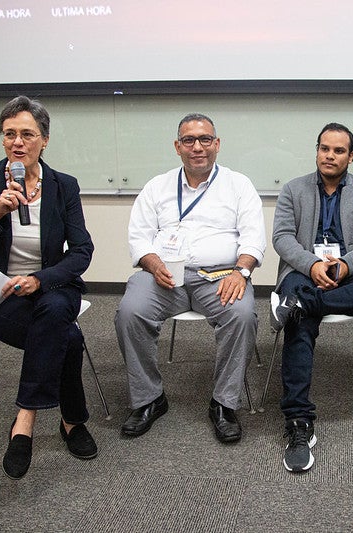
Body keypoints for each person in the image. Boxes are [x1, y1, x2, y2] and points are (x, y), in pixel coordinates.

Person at [0, 96, 97, 480]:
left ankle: (25, 420)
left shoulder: (63, 185)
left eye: (27, 134)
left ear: (44, 140)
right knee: (67, 337)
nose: (18, 142)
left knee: (53, 310)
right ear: (2, 139)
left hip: (52, 284)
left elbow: (82, 250)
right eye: (9, 134)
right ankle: (72, 421)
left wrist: (39, 280)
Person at [115, 113, 265, 444]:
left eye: (205, 139)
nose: (197, 147)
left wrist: (242, 271)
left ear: (217, 144)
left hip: (221, 275)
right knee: (129, 312)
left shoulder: (238, 185)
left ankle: (224, 404)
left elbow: (254, 237)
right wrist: (154, 264)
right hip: (165, 276)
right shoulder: (157, 187)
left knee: (241, 316)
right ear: (177, 146)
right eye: (189, 140)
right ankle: (149, 399)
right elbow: (139, 238)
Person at [270, 123, 353, 473]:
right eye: (324, 148)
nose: (330, 155)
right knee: (299, 323)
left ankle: (302, 303)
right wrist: (312, 264)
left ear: (351, 155)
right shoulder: (293, 189)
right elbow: (282, 238)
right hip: (303, 271)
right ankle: (298, 421)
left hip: (350, 271)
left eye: (339, 150)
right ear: (317, 151)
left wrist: (344, 265)